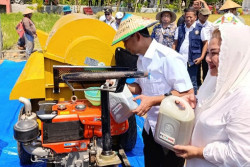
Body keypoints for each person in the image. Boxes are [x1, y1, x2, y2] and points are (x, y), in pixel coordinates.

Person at [112, 13, 196, 167]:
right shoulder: (140, 59)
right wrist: (119, 85)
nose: (125, 47)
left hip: (170, 130)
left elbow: (187, 94)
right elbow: (139, 86)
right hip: (150, 127)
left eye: (125, 42)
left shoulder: (168, 58)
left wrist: (152, 101)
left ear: (137, 36)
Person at [173, 25, 250, 167]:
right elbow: (209, 106)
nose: (207, 59)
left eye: (214, 53)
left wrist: (199, 152)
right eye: (207, 52)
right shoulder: (217, 80)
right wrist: (194, 103)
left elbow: (242, 156)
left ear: (235, 54)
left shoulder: (244, 98)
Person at [173, 7, 209, 94]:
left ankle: (193, 101)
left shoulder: (200, 29)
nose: (188, 19)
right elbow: (175, 43)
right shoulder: (180, 28)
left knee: (192, 82)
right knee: (179, 81)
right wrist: (173, 55)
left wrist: (201, 57)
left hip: (193, 60)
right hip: (180, 60)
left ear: (195, 17)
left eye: (190, 17)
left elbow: (205, 43)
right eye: (187, 17)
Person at [196, 8, 213, 87]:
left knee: (206, 67)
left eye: (207, 16)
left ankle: (206, 84)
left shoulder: (210, 25)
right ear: (199, 15)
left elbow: (213, 36)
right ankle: (198, 83)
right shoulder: (195, 24)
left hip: (207, 50)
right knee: (197, 67)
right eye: (204, 15)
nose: (205, 17)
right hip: (197, 48)